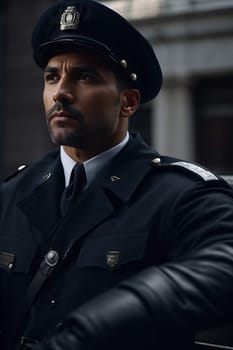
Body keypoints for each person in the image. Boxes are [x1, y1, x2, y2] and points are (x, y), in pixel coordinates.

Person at [1, 0, 233, 349]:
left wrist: (96, 328)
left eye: (84, 76)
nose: (60, 92)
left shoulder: (180, 195)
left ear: (128, 102)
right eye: (52, 76)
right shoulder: (14, 192)